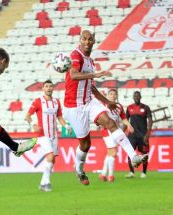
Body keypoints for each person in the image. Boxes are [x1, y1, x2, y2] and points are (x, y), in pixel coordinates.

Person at [63, 30, 147, 185]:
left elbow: (91, 87)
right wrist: (96, 75)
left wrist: (106, 102)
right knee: (85, 145)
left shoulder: (90, 61)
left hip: (89, 101)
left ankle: (133, 156)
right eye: (84, 39)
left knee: (111, 123)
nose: (87, 42)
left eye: (90, 39)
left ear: (94, 42)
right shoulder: (75, 55)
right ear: (80, 40)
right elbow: (74, 75)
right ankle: (79, 170)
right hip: (74, 107)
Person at [25, 80, 71, 192]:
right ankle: (48, 183)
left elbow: (59, 117)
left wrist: (66, 126)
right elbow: (27, 115)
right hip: (42, 135)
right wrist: (33, 124)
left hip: (54, 135)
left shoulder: (56, 102)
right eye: (46, 86)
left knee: (52, 160)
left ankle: (42, 183)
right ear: (43, 89)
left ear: (53, 88)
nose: (49, 88)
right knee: (50, 156)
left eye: (51, 86)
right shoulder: (38, 101)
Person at [99, 88, 134, 182]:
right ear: (107, 95)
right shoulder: (103, 105)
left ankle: (103, 174)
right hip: (106, 130)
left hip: (116, 130)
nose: (113, 96)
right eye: (111, 94)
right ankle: (110, 175)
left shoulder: (119, 106)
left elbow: (123, 118)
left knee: (110, 153)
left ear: (117, 96)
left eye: (114, 94)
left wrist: (129, 125)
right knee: (113, 153)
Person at [125, 91, 153, 179]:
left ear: (140, 97)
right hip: (132, 135)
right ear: (133, 97)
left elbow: (150, 121)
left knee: (144, 154)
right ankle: (131, 172)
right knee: (130, 153)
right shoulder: (129, 108)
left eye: (138, 96)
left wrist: (148, 134)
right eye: (135, 96)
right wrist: (122, 133)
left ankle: (144, 173)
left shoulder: (145, 107)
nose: (136, 97)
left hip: (143, 135)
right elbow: (125, 121)